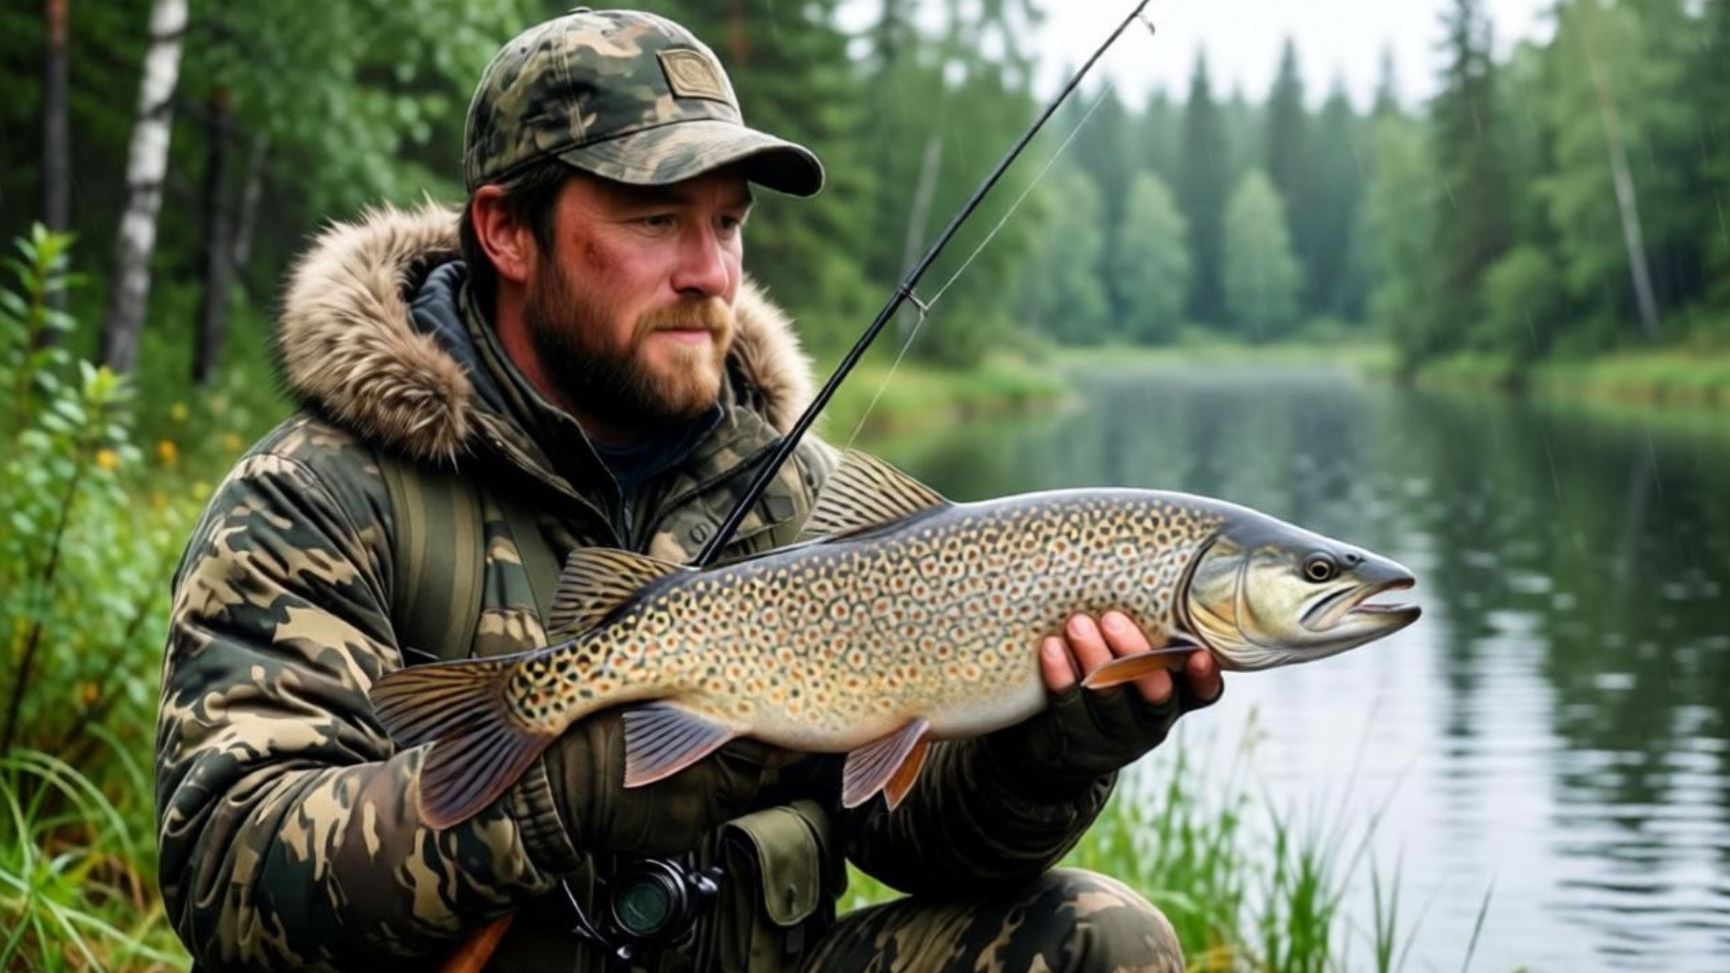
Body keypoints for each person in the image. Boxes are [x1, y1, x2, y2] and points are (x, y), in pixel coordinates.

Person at [154, 8, 1223, 971]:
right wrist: (583, 780)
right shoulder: (318, 496)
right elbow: (230, 873)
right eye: (655, 219)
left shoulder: (795, 497)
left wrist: (1054, 750)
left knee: (1099, 938)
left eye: (726, 222)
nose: (710, 270)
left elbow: (920, 836)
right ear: (506, 232)